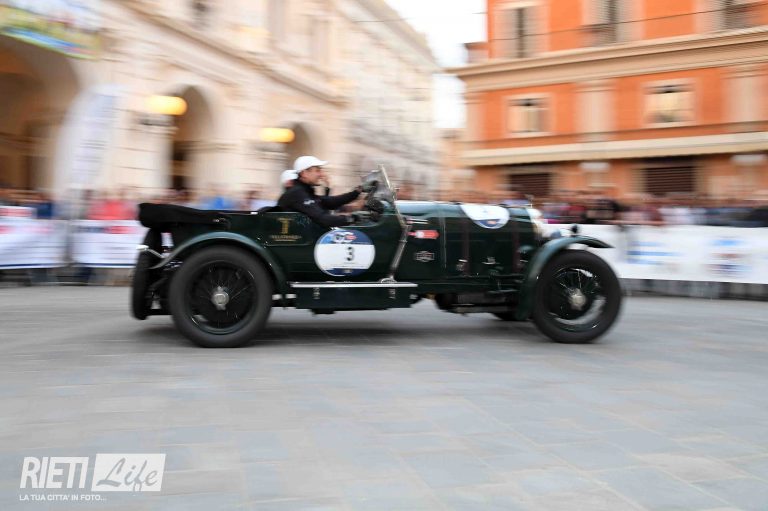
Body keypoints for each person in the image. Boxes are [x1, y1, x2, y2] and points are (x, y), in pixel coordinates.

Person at [277, 156, 361, 227]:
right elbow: (323, 219)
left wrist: (356, 192)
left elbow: (330, 202)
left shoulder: (305, 191)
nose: (321, 174)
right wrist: (351, 218)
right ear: (304, 173)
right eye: (317, 170)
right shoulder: (297, 193)